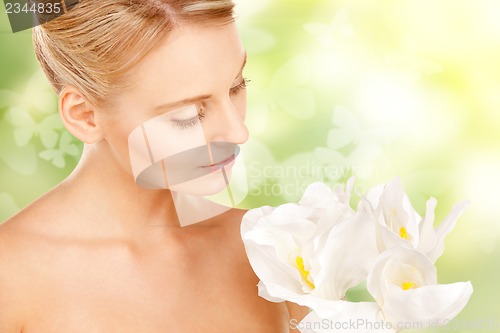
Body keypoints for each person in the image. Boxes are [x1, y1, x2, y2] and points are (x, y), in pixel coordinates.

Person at [0, 1, 309, 331]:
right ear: (84, 115)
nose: (237, 132)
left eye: (236, 85)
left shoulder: (275, 248)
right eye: (187, 114)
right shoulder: (11, 277)